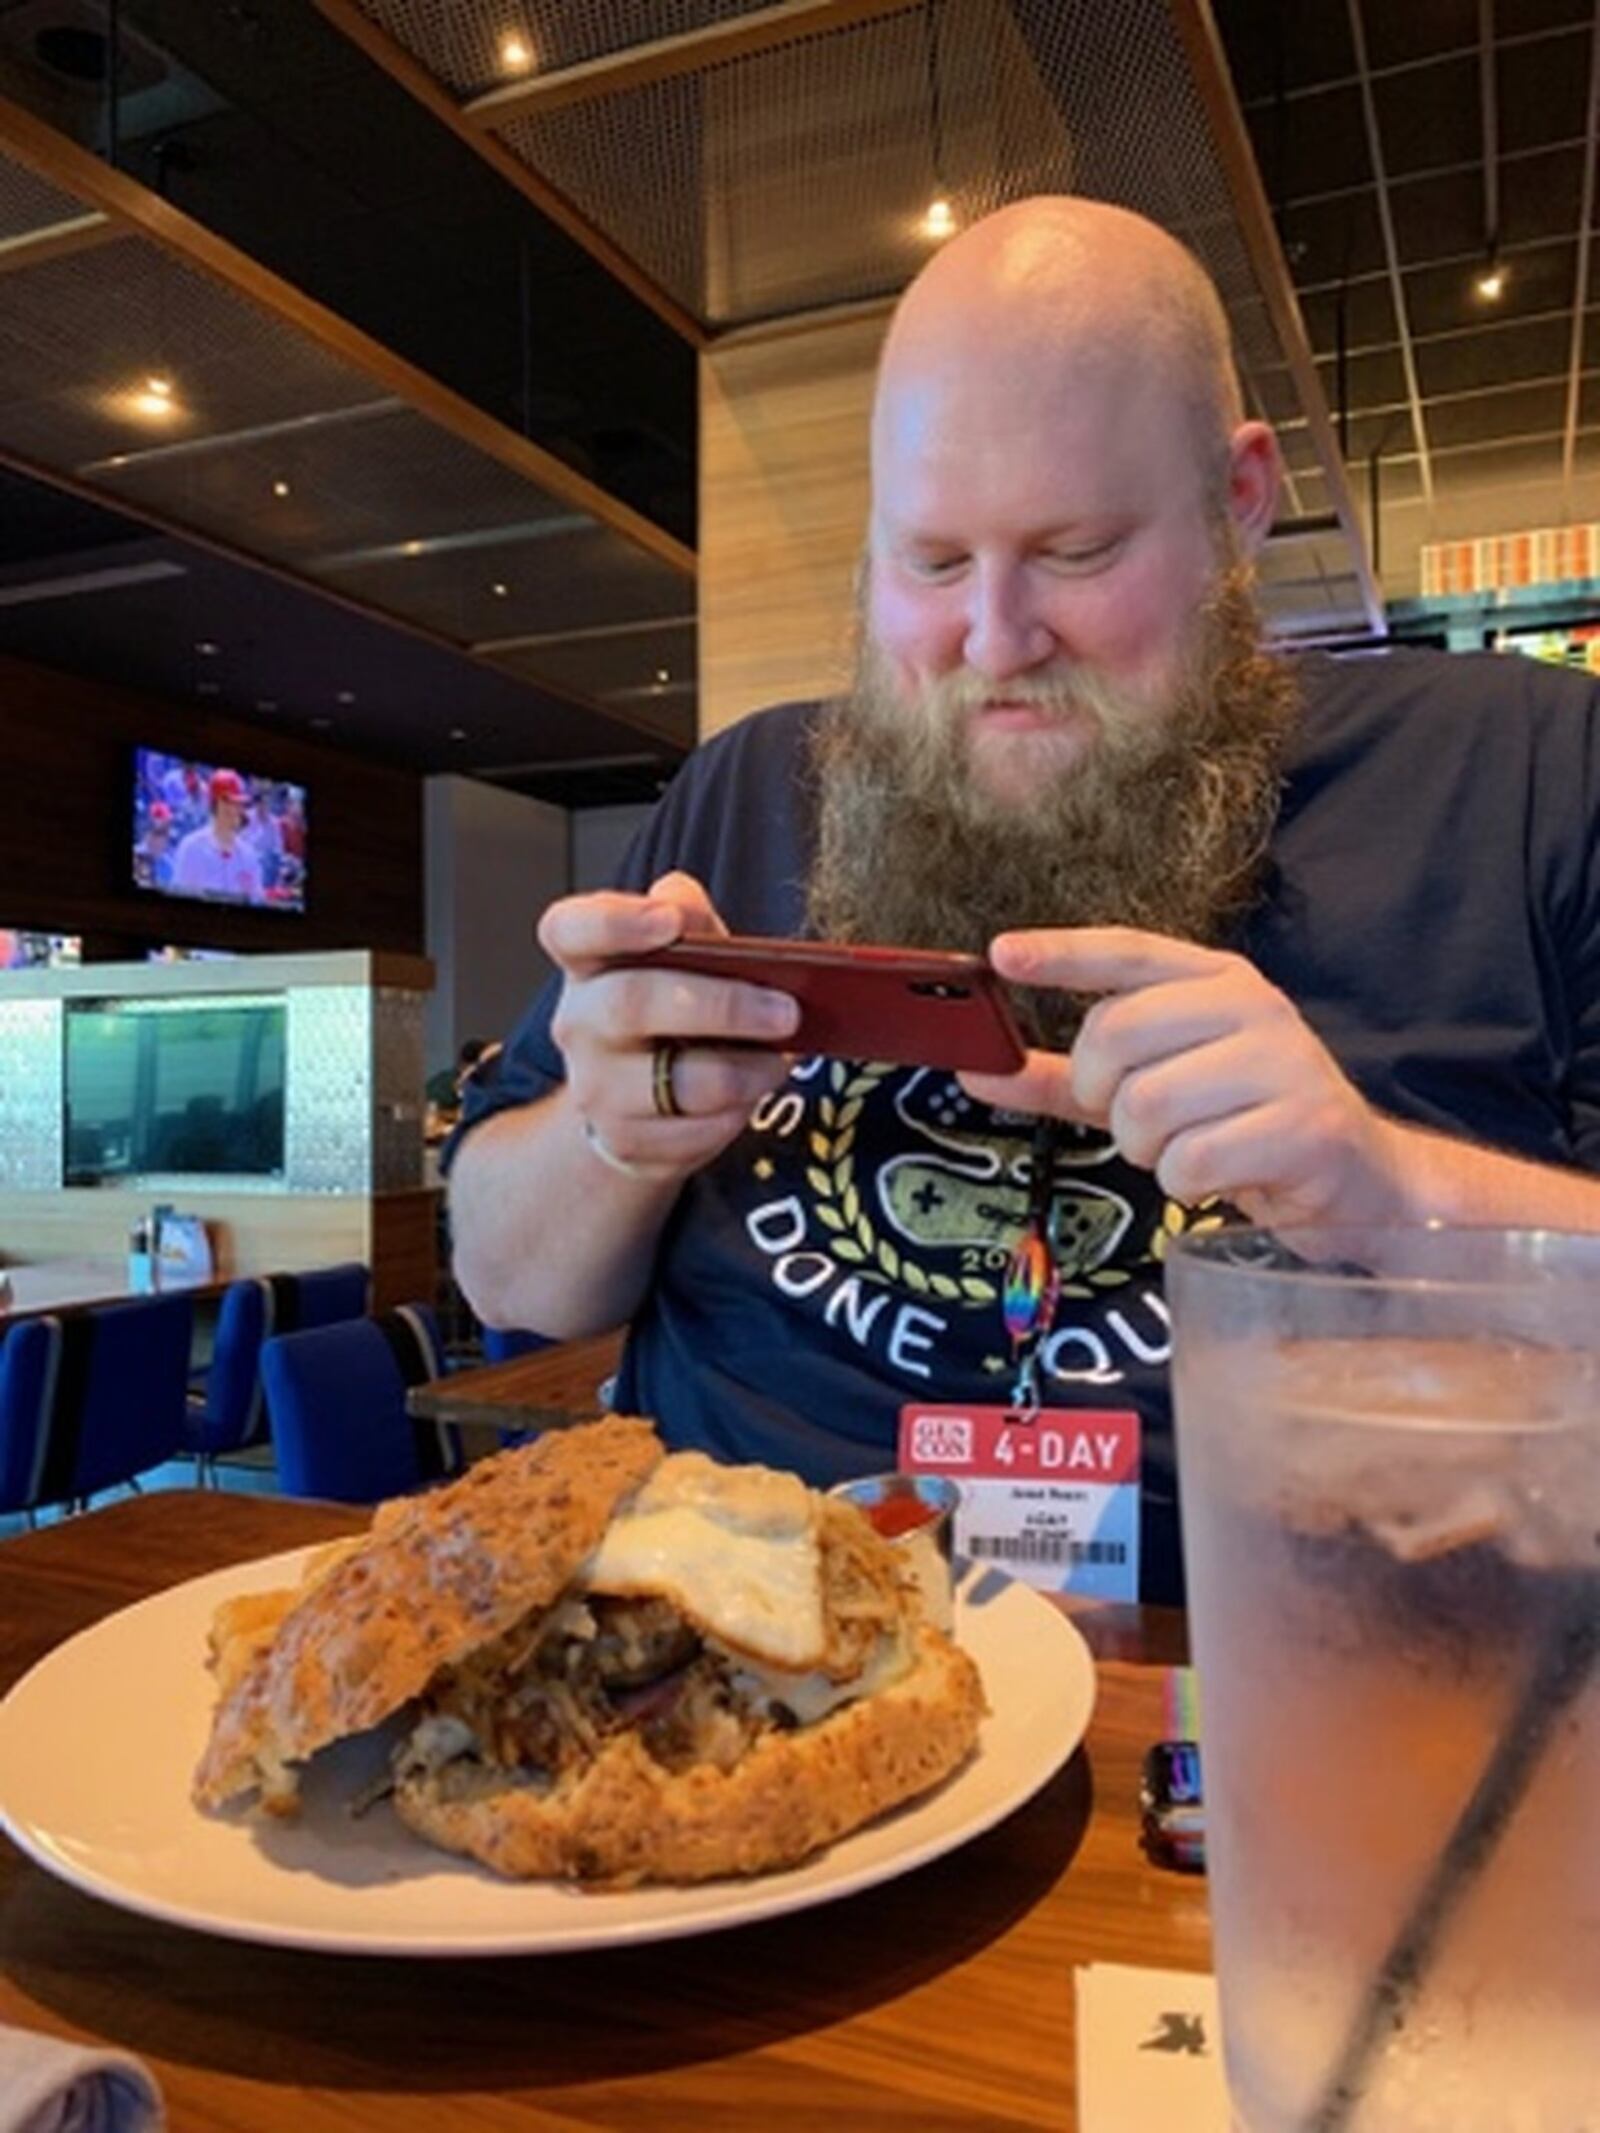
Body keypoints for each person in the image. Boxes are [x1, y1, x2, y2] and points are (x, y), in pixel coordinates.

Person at [445, 196, 1600, 1602]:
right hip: (727, 1670)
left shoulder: (1527, 772)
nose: (996, 641)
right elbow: (509, 1280)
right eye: (931, 562)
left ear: (1239, 502)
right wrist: (615, 1142)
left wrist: (1383, 1188)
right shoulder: (744, 793)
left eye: (1076, 553)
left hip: (1276, 1701)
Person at [170, 769, 264, 905]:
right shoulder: (192, 847)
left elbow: (257, 902)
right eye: (234, 803)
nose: (240, 810)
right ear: (218, 805)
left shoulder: (249, 854)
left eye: (240, 804)